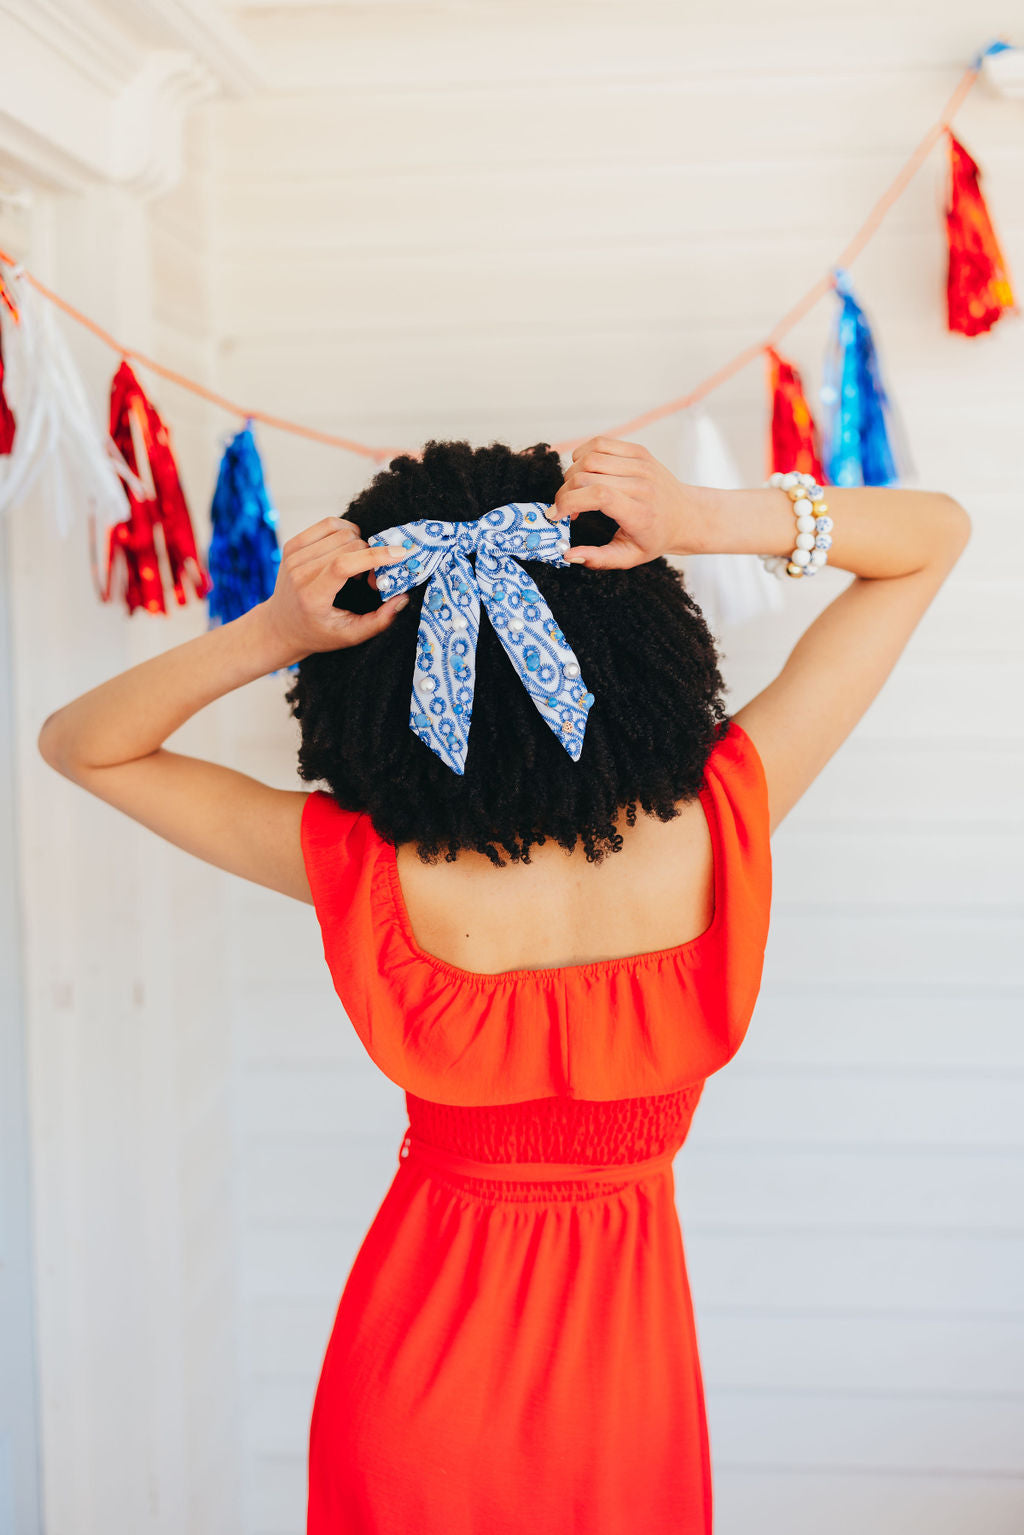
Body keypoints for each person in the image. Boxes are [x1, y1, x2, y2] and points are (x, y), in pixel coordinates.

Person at [38, 435, 971, 1534]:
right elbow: (931, 535)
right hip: (631, 1383)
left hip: (413, 1384)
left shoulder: (371, 871)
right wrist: (693, 516)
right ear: (628, 631)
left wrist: (274, 633)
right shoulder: (727, 816)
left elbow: (81, 744)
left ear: (378, 677)